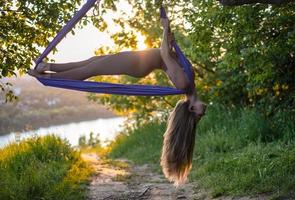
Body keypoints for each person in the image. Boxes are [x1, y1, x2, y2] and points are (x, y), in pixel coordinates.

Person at [28, 17, 206, 185]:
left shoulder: (184, 83)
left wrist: (165, 27)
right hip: (140, 60)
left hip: (139, 63)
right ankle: (49, 68)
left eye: (199, 116)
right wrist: (168, 37)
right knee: (93, 62)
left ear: (190, 108)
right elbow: (168, 54)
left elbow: (164, 53)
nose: (202, 114)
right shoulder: (189, 84)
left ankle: (47, 77)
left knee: (91, 68)